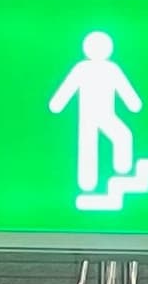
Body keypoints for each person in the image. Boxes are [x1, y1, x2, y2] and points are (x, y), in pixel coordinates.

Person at [50, 30, 142, 197]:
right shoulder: (83, 69)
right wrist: (57, 103)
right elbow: (67, 88)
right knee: (90, 146)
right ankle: (88, 184)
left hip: (105, 114)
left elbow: (124, 89)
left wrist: (133, 103)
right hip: (88, 116)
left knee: (121, 136)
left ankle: (121, 171)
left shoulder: (110, 69)